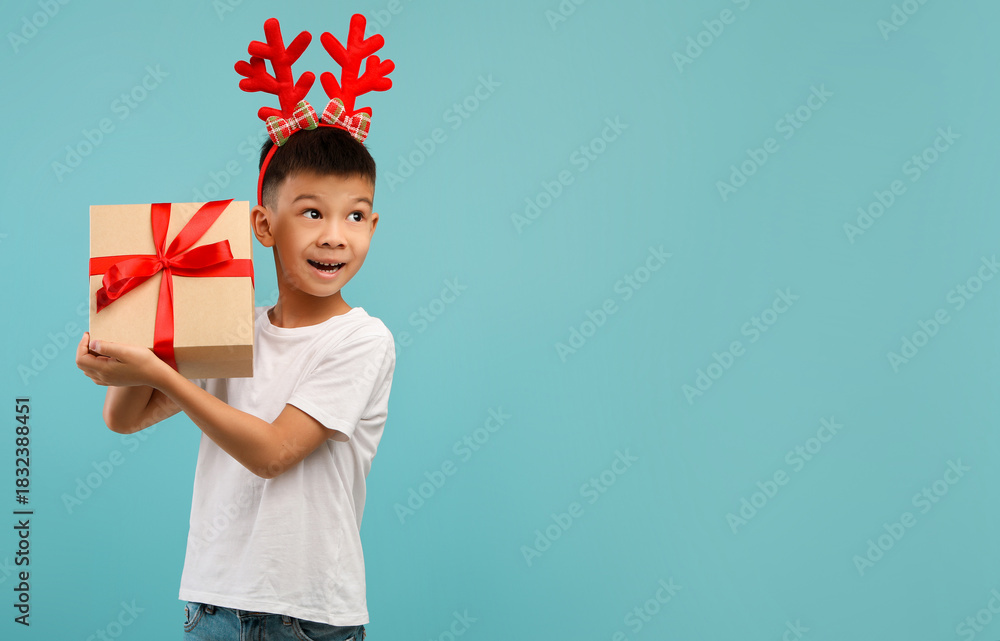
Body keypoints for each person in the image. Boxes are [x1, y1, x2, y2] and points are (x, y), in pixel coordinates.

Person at [75, 123, 395, 640]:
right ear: (263, 226)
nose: (336, 234)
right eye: (312, 212)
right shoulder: (232, 325)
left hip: (307, 616)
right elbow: (123, 417)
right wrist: (131, 337)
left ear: (373, 226)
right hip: (212, 605)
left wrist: (161, 373)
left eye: (355, 215)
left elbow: (272, 453)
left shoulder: (362, 339)